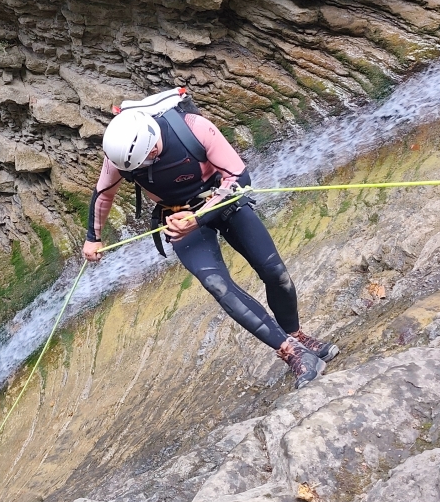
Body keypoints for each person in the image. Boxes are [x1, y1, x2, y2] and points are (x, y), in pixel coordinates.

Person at [82, 96, 339, 389]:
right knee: (218, 286)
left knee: (274, 272)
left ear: (152, 147)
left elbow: (240, 177)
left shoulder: (194, 128)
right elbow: (104, 192)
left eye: (144, 164)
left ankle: (298, 335)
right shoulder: (121, 155)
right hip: (178, 216)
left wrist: (199, 217)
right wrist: (94, 237)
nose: (139, 171)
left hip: (223, 202)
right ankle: (293, 353)